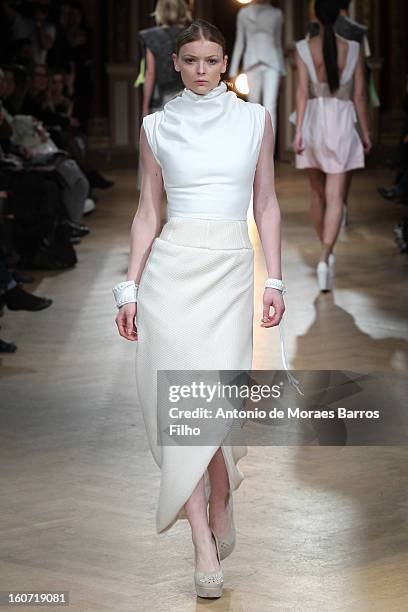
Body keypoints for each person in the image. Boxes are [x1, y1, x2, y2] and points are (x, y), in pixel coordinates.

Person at [113, 19, 285, 600]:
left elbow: (267, 203)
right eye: (192, 60)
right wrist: (129, 286)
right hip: (170, 274)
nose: (203, 71)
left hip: (230, 270)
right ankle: (201, 541)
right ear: (177, 63)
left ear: (225, 61)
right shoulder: (155, 127)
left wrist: (276, 280)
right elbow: (146, 212)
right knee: (176, 401)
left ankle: (223, 490)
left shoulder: (254, 120)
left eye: (213, 60)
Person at [293, 0, 371, 292]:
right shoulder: (352, 48)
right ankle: (325, 255)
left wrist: (299, 131)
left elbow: (301, 92)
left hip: (314, 121)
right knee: (335, 196)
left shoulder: (304, 48)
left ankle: (326, 249)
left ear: (315, 13)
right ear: (340, 12)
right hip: (341, 122)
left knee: (317, 194)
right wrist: (365, 132)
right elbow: (360, 96)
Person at [308, 0, 373, 226]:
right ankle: (339, 210)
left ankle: (331, 215)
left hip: (317, 112)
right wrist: (366, 131)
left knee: (319, 183)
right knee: (342, 172)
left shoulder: (311, 34)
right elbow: (361, 87)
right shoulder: (358, 33)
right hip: (346, 108)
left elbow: (304, 85)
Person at [136, 0, 192, 190]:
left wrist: (145, 106)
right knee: (184, 149)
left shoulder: (150, 37)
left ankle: (151, 199)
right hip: (186, 98)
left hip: (161, 99)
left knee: (156, 149)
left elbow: (150, 73)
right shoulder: (190, 35)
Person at [229, 0, 286, 139]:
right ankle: (254, 149)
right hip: (251, 62)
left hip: (272, 63)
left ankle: (269, 151)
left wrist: (283, 71)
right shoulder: (244, 13)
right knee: (253, 106)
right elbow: (240, 42)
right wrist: (233, 70)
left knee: (270, 106)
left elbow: (278, 42)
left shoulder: (277, 14)